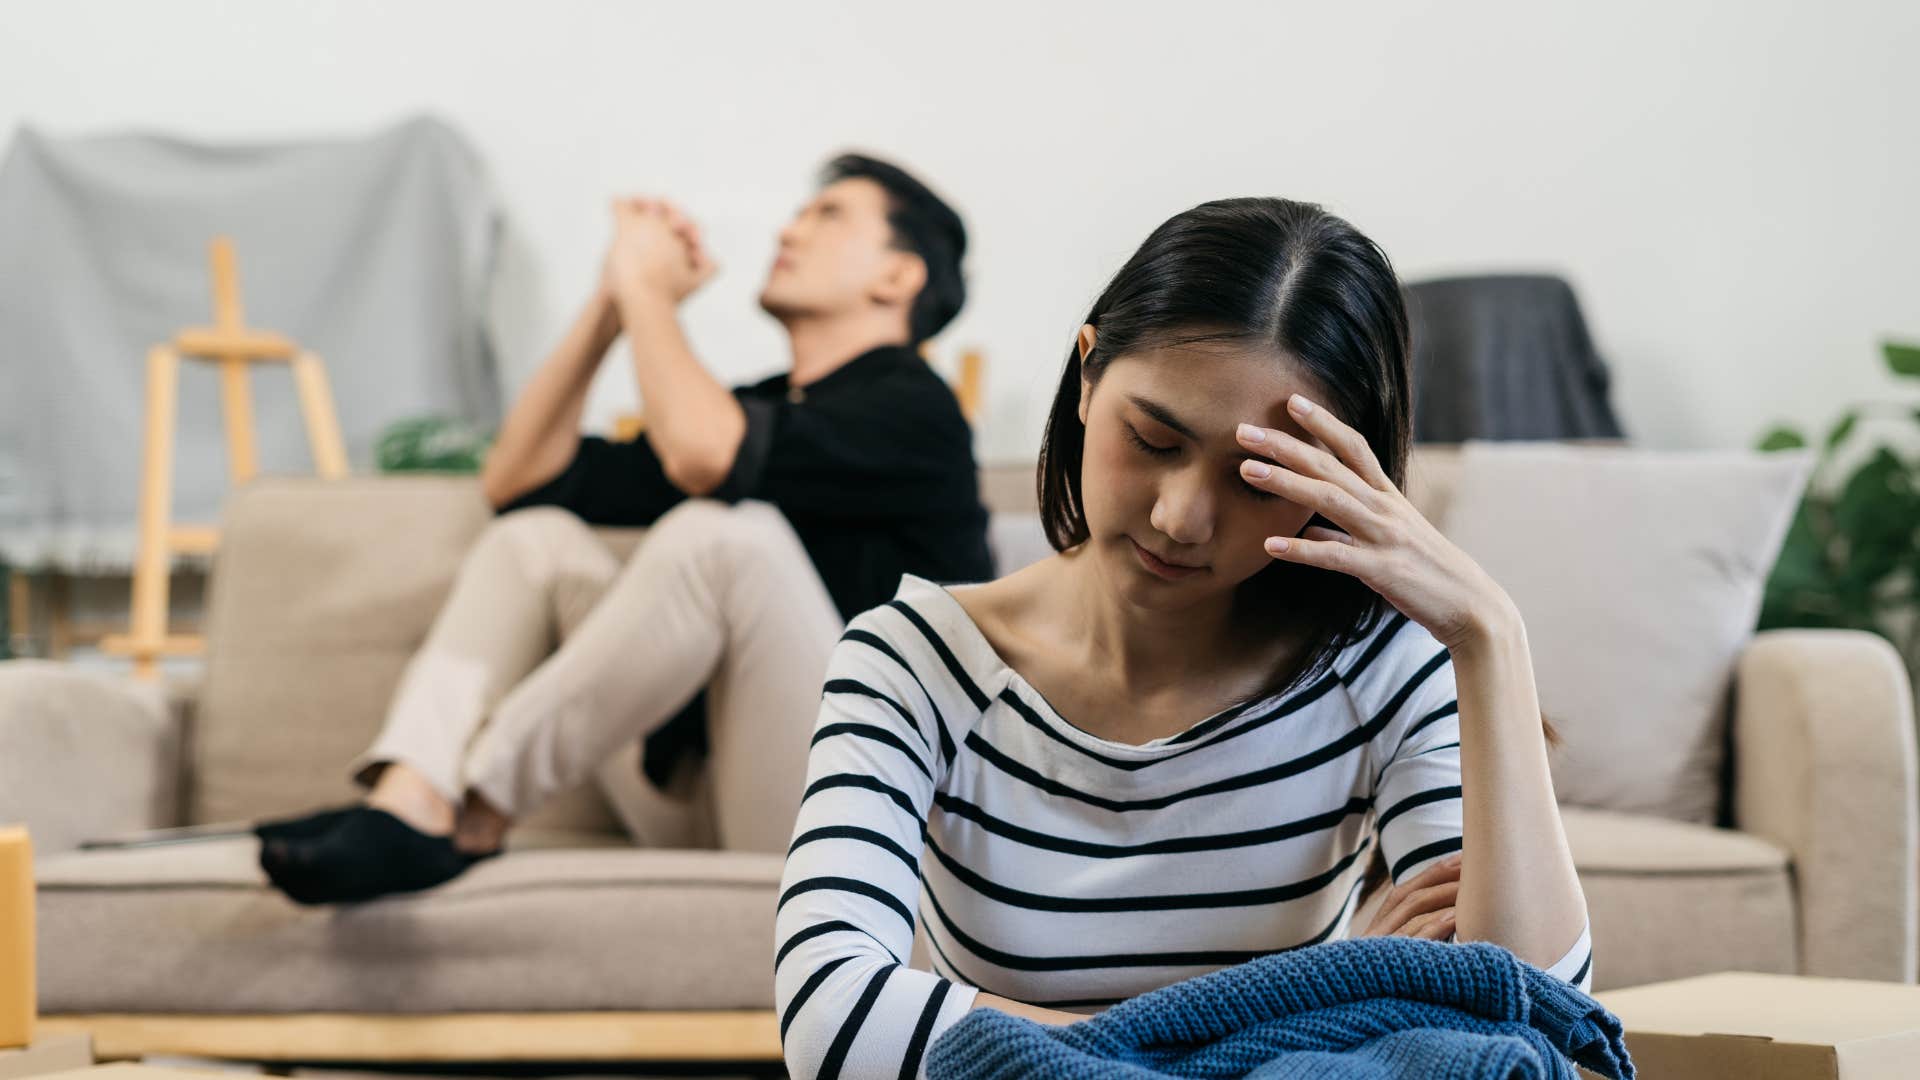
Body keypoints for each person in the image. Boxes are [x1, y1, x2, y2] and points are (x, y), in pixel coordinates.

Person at [775, 198, 1592, 1079]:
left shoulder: (1382, 668)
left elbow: (1532, 1021)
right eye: (1154, 438)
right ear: (1087, 377)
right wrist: (1315, 1005)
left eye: (1257, 478)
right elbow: (831, 1016)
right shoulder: (912, 661)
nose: (1182, 518)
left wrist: (1490, 636)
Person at [258, 153, 992, 905]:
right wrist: (612, 301)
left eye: (827, 215)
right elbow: (519, 481)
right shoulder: (759, 408)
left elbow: (706, 456)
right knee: (535, 540)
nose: (789, 230)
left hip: (863, 828)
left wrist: (649, 289)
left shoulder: (917, 412)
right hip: (703, 799)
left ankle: (473, 809)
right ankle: (411, 797)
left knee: (726, 536)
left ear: (897, 278)